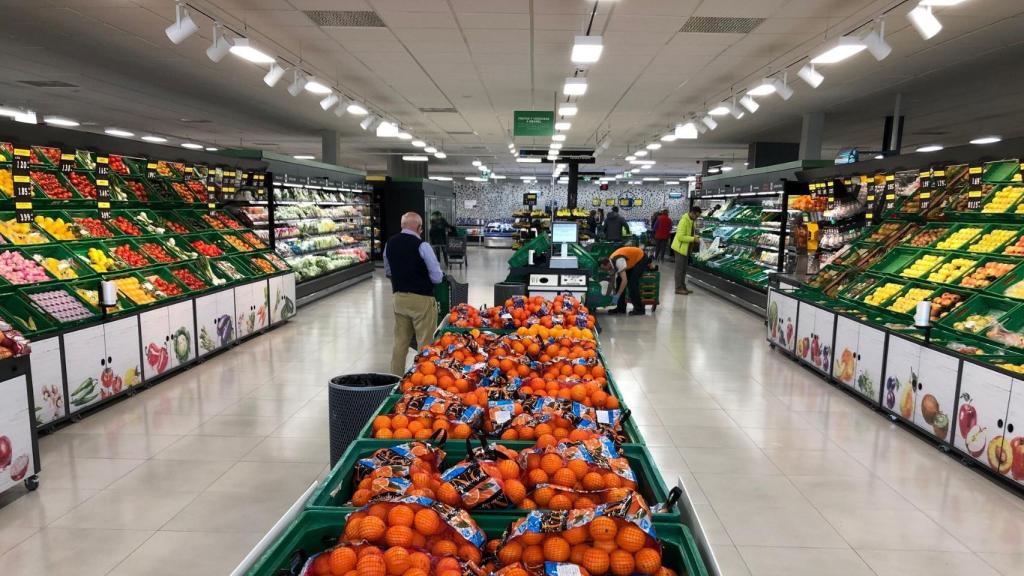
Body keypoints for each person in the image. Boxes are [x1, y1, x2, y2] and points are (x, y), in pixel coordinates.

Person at [385, 212, 444, 375]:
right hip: (422, 300)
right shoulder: (422, 245)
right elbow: (437, 277)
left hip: (399, 298)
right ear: (419, 228)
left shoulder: (390, 243)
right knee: (425, 342)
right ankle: (422, 379)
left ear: (402, 226)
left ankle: (395, 378)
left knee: (400, 342)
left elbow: (388, 271)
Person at [605, 245, 650, 315]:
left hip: (640, 258)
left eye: (604, 268)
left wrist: (617, 295)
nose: (604, 270)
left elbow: (624, 281)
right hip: (631, 261)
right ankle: (621, 308)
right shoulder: (611, 263)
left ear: (607, 264)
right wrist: (606, 297)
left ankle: (639, 309)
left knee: (632, 283)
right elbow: (611, 282)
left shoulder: (618, 261)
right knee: (618, 281)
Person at [671, 205, 702, 295]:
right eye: (696, 216)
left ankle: (683, 286)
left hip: (686, 248)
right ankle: (678, 288)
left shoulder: (691, 221)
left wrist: (695, 237)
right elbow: (680, 237)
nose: (696, 218)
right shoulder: (684, 221)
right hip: (680, 249)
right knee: (679, 269)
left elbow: (689, 234)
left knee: (684, 269)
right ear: (692, 213)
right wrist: (693, 239)